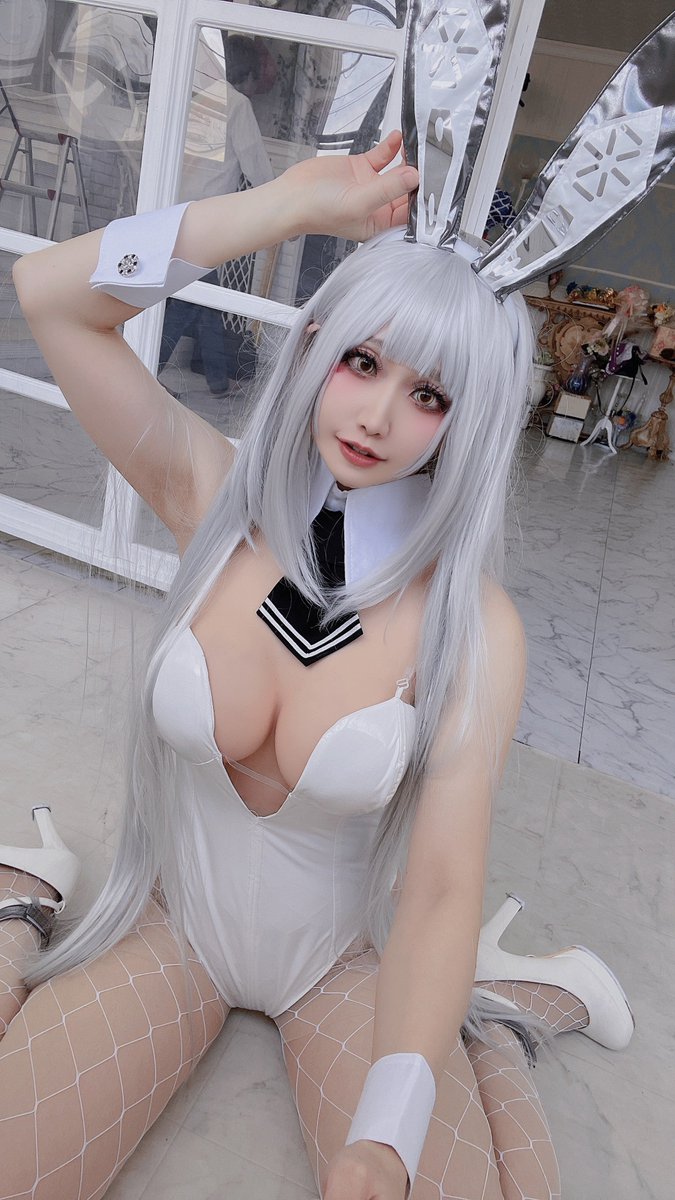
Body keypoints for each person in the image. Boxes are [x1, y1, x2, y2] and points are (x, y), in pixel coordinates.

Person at [2, 129, 633, 1200]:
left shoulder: (473, 626)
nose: (378, 417)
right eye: (362, 360)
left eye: (430, 396)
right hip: (176, 931)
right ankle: (24, 903)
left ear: (468, 424)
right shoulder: (212, 496)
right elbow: (50, 293)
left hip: (345, 965)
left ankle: (505, 1016)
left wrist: (385, 1136)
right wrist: (283, 210)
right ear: (313, 348)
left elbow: (439, 886)